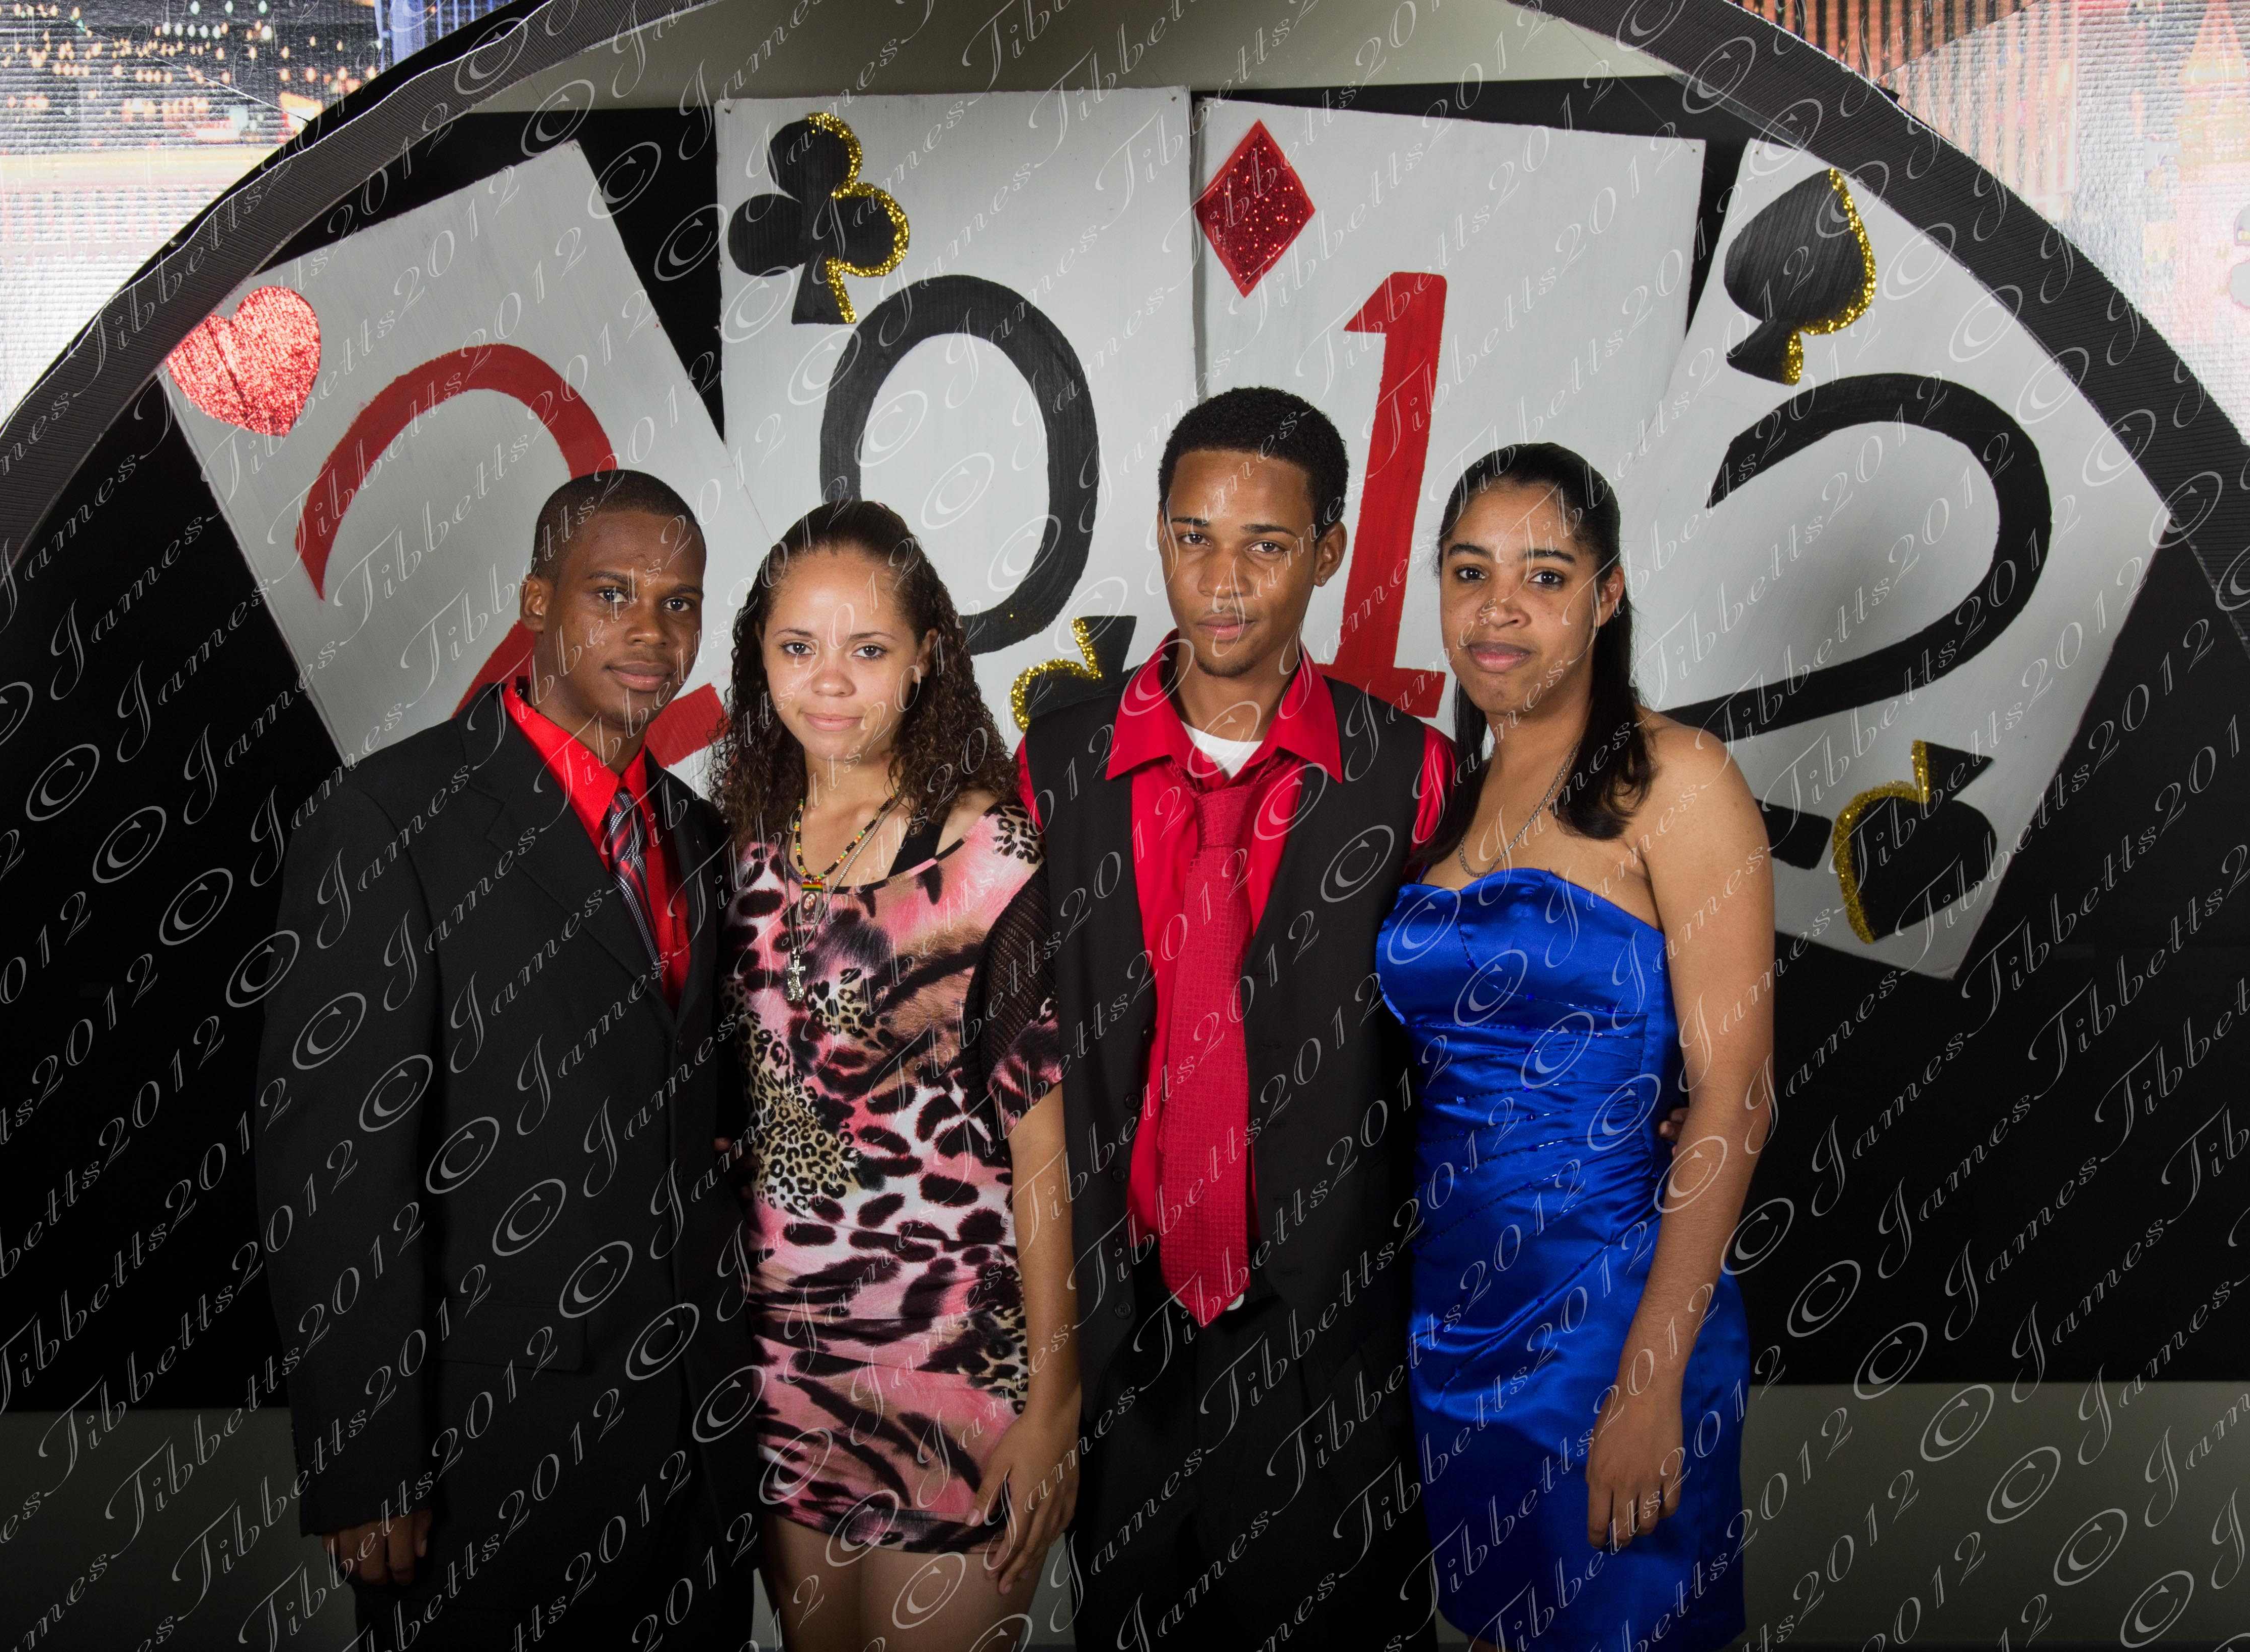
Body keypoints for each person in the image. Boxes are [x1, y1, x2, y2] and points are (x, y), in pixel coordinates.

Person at [253, 468, 762, 1649]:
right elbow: (333, 1173)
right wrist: (364, 1462)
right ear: (537, 600)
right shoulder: (391, 820)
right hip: (492, 1456)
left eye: (679, 603)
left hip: (695, 1453)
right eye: (612, 594)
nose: (651, 632)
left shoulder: (699, 837)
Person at [1012, 386, 1458, 1648]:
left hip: (1327, 1330)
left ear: (1328, 550)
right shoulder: (1056, 764)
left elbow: (1464, 1042)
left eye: (1266, 545)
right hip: (1125, 1328)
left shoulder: (1409, 771)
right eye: (1192, 537)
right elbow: (1015, 1054)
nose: (1221, 581)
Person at [1377, 443, 1768, 1650]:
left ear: (1606, 596)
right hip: (1454, 1321)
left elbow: (1734, 1097)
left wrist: (1649, 1381)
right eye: (1470, 572)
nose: (1499, 608)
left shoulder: (1677, 779)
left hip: (1610, 1318)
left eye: (1543, 576)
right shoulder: (1449, 794)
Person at [710, 499, 1078, 1652]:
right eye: (798, 646)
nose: (830, 681)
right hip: (782, 1367)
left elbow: (1045, 1153)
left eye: (867, 649)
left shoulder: (986, 855)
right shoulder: (734, 845)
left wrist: (1054, 1405)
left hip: (955, 1365)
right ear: (758, 654)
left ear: (925, 658)